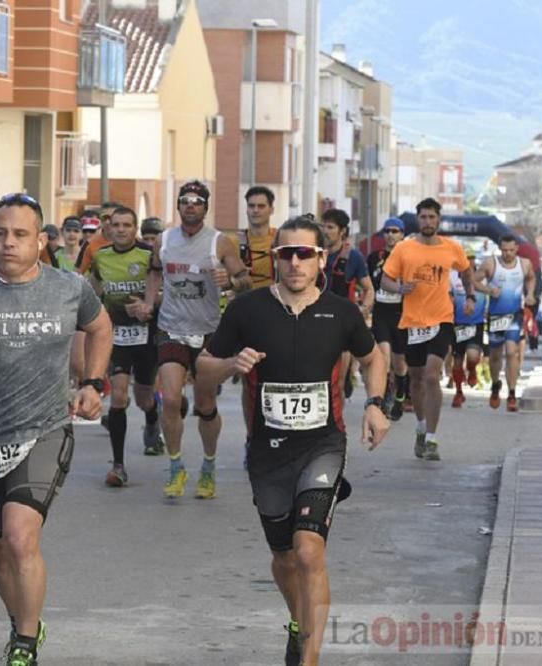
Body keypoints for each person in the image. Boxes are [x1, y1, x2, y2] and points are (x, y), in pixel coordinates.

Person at [0, 191, 112, 666]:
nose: (8, 243)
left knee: (19, 534)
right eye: (0, 233)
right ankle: (21, 620)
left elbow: (101, 328)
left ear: (40, 240)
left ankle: (24, 645)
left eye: (20, 235)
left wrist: (92, 382)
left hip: (45, 429)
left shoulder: (68, 288)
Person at [198, 216, 390, 666]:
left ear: (321, 258)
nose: (296, 262)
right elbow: (203, 369)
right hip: (267, 452)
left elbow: (372, 357)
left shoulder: (340, 311)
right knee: (284, 558)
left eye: (306, 253)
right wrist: (231, 366)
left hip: (323, 443)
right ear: (276, 259)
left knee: (309, 549)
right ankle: (299, 622)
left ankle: (310, 658)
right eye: (287, 254)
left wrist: (377, 404)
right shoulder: (247, 310)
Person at [135, 180, 252, 499]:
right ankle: (175, 467)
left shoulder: (220, 243)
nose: (190, 205)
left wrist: (230, 280)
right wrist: (148, 302)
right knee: (170, 399)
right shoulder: (164, 240)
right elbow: (155, 273)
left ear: (205, 206)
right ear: (178, 205)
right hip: (171, 327)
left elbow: (245, 281)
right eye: (185, 200)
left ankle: (208, 466)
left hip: (209, 332)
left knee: (205, 404)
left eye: (197, 201)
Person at [380, 198, 474, 461]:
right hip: (412, 321)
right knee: (417, 378)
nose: (428, 222)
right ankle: (421, 428)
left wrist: (470, 297)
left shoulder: (451, 248)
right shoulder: (404, 249)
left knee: (432, 376)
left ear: (439, 219)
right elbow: (385, 279)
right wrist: (399, 288)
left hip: (441, 318)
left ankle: (432, 439)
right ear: (417, 220)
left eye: (432, 217)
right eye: (423, 217)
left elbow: (467, 272)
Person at [89, 206, 164, 484]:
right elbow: (94, 292)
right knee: (119, 396)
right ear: (108, 228)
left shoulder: (149, 256)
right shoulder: (100, 257)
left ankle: (152, 416)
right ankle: (118, 466)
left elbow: (164, 293)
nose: (121, 230)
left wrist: (148, 306)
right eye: (116, 225)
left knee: (144, 397)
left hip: (147, 335)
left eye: (127, 225)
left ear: (135, 229)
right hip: (117, 335)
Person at [474, 235, 535, 410]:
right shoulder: (490, 263)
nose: (507, 254)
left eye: (511, 250)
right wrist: (488, 290)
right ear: (500, 249)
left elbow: (531, 278)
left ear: (517, 249)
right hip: (495, 316)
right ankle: (495, 385)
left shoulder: (524, 264)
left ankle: (512, 394)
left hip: (515, 314)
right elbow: (473, 280)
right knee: (495, 356)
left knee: (511, 352)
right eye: (504, 250)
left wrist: (530, 294)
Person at [320, 208, 374, 401]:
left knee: (338, 383)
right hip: (315, 321)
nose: (325, 231)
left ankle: (336, 426)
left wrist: (362, 310)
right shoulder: (313, 253)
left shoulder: (353, 257)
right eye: (323, 226)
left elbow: (369, 289)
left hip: (341, 324)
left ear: (342, 231)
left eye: (330, 227)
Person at [366, 218, 409, 420]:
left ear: (402, 234)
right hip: (382, 312)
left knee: (399, 363)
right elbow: (366, 283)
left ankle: (400, 394)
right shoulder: (375, 257)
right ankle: (384, 396)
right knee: (383, 357)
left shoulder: (409, 257)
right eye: (387, 231)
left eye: (395, 231)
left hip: (402, 312)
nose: (390, 235)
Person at [449, 255, 488, 408]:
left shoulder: (482, 280)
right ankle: (459, 392)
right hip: (457, 324)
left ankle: (472, 370)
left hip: (476, 324)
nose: (468, 265)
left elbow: (489, 295)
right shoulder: (452, 277)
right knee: (457, 361)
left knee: (473, 356)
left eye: (471, 262)